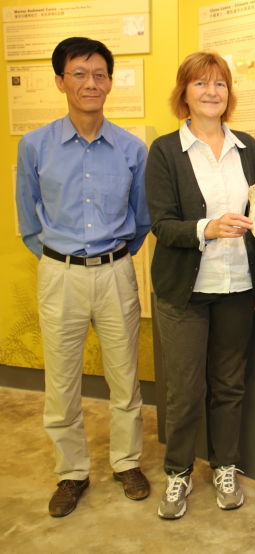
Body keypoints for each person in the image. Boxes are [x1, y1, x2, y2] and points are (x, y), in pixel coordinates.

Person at [15, 37, 151, 517]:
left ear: (110, 82)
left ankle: (126, 462)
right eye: (79, 73)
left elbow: (142, 219)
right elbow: (28, 221)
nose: (90, 83)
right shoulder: (34, 146)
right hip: (60, 275)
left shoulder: (133, 148)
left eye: (99, 74)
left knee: (124, 378)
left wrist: (115, 256)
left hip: (116, 273)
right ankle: (71, 473)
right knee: (62, 381)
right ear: (60, 80)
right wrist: (60, 258)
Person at [145, 51, 255, 520]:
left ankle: (225, 466)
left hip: (238, 285)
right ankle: (178, 473)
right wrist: (207, 228)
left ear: (228, 94)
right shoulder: (165, 150)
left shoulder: (247, 147)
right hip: (185, 290)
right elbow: (160, 225)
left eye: (219, 84)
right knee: (184, 388)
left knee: (229, 386)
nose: (211, 92)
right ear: (184, 93)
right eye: (200, 83)